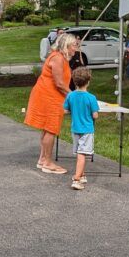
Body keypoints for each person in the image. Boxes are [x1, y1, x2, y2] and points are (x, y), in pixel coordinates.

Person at [25, 33, 80, 174]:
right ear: (66, 45)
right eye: (74, 45)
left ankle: (42, 159)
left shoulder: (60, 57)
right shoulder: (57, 58)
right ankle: (48, 163)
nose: (77, 48)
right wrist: (75, 97)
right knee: (51, 128)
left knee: (47, 128)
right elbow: (60, 83)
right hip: (48, 97)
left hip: (49, 96)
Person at [64, 67, 99, 191]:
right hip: (87, 129)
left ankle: (82, 175)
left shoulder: (70, 95)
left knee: (79, 153)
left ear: (74, 81)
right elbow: (95, 114)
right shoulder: (91, 98)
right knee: (82, 154)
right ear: (88, 81)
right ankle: (77, 179)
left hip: (75, 129)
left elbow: (65, 110)